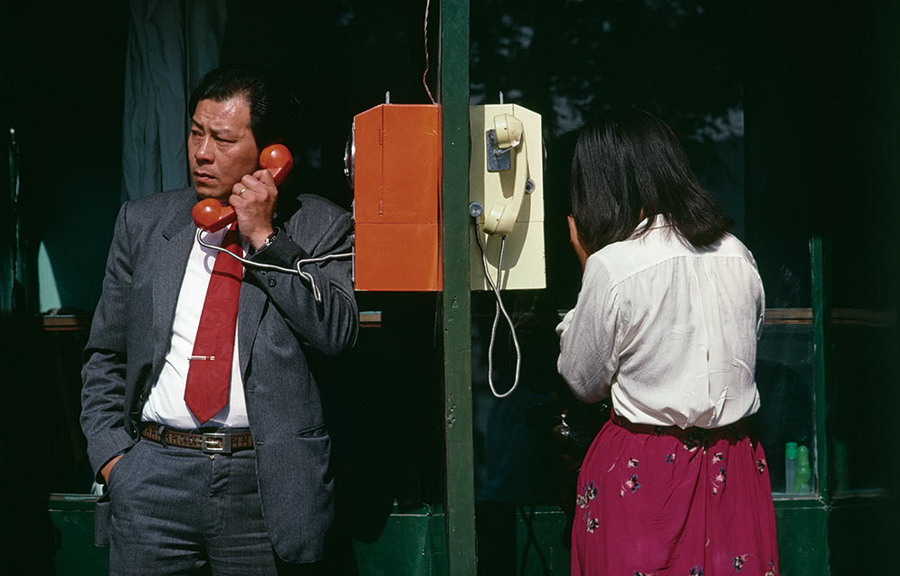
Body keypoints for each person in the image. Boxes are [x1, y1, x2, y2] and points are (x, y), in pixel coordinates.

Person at [80, 67, 358, 575]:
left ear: (270, 155)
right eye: (195, 132)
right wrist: (114, 458)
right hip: (152, 476)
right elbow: (106, 353)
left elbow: (336, 330)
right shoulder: (143, 223)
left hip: (263, 483)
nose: (202, 153)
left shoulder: (322, 227)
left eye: (223, 139)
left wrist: (267, 240)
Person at [556, 109, 778, 576]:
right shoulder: (737, 253)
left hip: (645, 470)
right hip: (732, 462)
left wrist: (586, 278)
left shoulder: (612, 266)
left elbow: (583, 381)